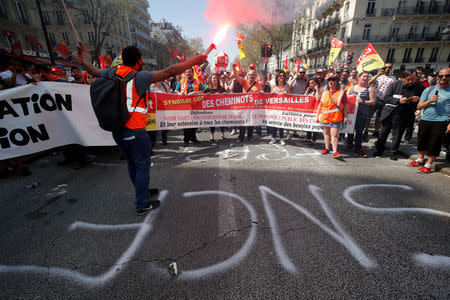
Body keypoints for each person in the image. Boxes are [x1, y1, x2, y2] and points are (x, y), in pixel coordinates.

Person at [78, 42, 206, 215]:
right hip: (135, 132)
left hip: (118, 131)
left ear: (122, 59)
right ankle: (143, 203)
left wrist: (84, 54)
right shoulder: (139, 77)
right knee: (142, 165)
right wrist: (193, 61)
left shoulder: (111, 72)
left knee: (132, 163)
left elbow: (91, 70)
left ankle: (143, 192)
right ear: (138, 61)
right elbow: (169, 71)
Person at [373, 70, 425, 160]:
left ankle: (393, 152)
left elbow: (422, 100)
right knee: (383, 133)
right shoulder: (395, 84)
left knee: (398, 134)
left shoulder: (419, 87)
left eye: (413, 79)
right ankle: (379, 150)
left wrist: (418, 100)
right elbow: (386, 97)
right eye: (408, 79)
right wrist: (398, 100)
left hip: (404, 114)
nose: (411, 81)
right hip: (390, 113)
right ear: (403, 78)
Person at [407, 67, 450, 174]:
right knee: (422, 140)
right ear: (437, 77)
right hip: (425, 119)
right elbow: (419, 106)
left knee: (434, 143)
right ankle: (420, 159)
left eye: (447, 76)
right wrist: (429, 101)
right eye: (441, 76)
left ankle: (428, 164)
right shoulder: (429, 90)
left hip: (441, 120)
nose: (443, 78)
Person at [315, 76, 348, 158]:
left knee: (334, 134)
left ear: (337, 82)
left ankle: (335, 151)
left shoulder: (342, 92)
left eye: (333, 80)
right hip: (325, 117)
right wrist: (317, 116)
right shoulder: (325, 92)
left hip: (335, 117)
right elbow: (320, 104)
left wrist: (345, 116)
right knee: (326, 133)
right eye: (329, 80)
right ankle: (327, 148)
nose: (331, 81)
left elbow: (346, 105)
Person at [346, 71, 376, 157]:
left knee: (359, 131)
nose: (365, 78)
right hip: (351, 112)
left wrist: (363, 101)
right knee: (350, 129)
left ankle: (358, 148)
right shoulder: (352, 87)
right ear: (359, 77)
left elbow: (373, 101)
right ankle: (349, 143)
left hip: (362, 113)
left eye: (367, 77)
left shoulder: (370, 88)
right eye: (364, 76)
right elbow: (346, 97)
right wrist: (351, 97)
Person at [365, 62, 396, 140]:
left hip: (385, 100)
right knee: (369, 116)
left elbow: (394, 89)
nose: (387, 69)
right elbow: (369, 82)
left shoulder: (393, 78)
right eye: (386, 67)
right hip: (375, 99)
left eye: (389, 67)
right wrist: (378, 74)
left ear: (391, 68)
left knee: (379, 117)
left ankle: (376, 131)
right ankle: (366, 130)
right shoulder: (379, 77)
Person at [232, 64, 263, 143]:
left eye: (253, 75)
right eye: (249, 74)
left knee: (251, 123)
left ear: (255, 76)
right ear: (247, 75)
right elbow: (236, 77)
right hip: (244, 107)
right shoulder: (244, 82)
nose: (251, 76)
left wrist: (261, 93)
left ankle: (250, 136)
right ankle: (240, 137)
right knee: (242, 123)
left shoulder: (258, 85)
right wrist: (233, 68)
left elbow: (262, 94)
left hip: (253, 107)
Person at [175, 67, 204, 147]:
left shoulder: (198, 82)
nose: (188, 73)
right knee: (186, 124)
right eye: (187, 72)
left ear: (193, 73)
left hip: (195, 105)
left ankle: (193, 137)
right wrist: (180, 93)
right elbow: (176, 91)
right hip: (185, 106)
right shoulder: (181, 82)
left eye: (190, 72)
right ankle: (186, 140)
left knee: (195, 123)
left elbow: (202, 91)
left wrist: (194, 93)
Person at [270, 70, 290, 145]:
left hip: (283, 107)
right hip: (275, 107)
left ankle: (281, 138)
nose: (282, 77)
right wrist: (275, 94)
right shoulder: (274, 86)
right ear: (277, 77)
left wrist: (286, 94)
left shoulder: (287, 85)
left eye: (283, 76)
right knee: (274, 123)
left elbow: (290, 95)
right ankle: (274, 138)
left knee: (281, 123)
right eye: (280, 76)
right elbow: (271, 96)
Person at [205, 73, 226, 142]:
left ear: (218, 79)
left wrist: (221, 95)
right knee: (212, 123)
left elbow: (225, 97)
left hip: (219, 108)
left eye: (216, 78)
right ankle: (212, 136)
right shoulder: (208, 89)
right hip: (211, 109)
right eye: (213, 78)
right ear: (211, 79)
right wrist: (207, 95)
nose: (215, 79)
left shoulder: (221, 88)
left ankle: (223, 135)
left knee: (221, 122)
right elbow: (203, 97)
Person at [149, 81, 171, 146]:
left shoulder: (164, 85)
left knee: (163, 125)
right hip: (153, 110)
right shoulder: (150, 86)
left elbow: (169, 95)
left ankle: (164, 140)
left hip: (163, 109)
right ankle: (152, 143)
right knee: (153, 127)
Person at [304, 77, 323, 145]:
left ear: (316, 83)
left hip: (316, 110)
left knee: (315, 125)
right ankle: (308, 138)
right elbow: (304, 98)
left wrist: (317, 89)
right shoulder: (309, 90)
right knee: (308, 124)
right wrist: (307, 91)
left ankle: (314, 140)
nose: (311, 84)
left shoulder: (320, 89)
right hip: (309, 110)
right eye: (310, 83)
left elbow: (318, 98)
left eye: (312, 83)